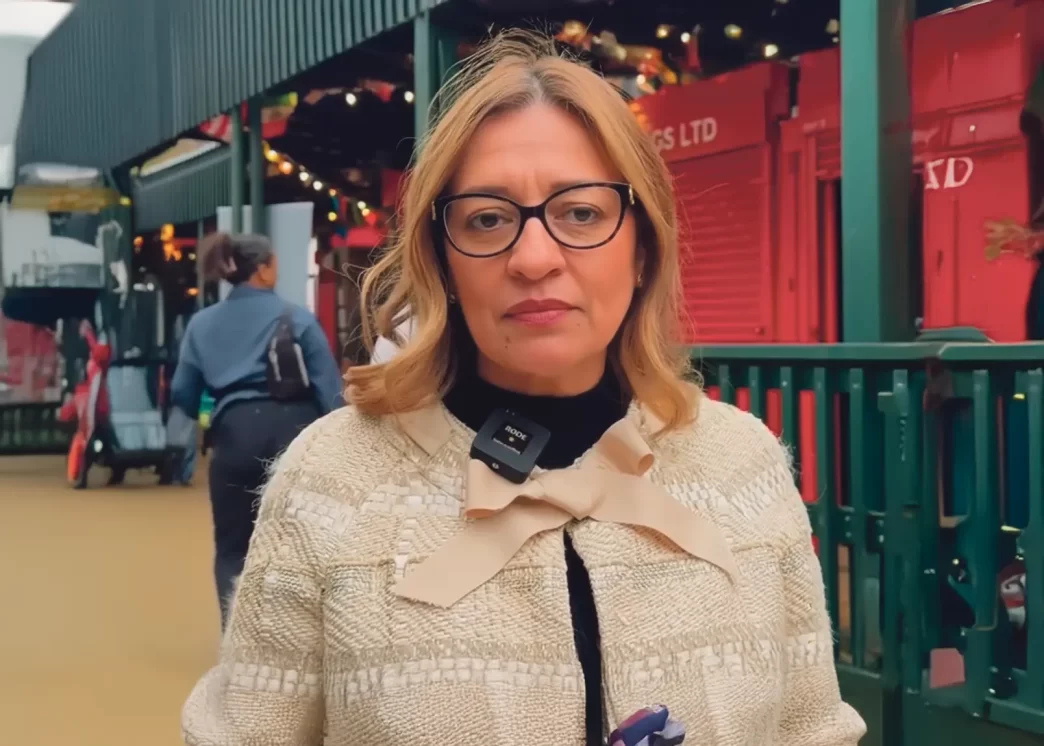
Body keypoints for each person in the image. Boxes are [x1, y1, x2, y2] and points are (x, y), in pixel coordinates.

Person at [182, 31, 866, 746]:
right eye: (487, 219)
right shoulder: (331, 483)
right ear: (441, 261)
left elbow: (812, 729)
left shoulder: (742, 465)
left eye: (581, 213)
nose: (534, 257)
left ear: (642, 249)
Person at [170, 231, 342, 627]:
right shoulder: (296, 317)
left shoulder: (201, 325)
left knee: (232, 547)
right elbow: (328, 390)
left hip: (232, 436)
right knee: (298, 543)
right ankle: (292, 636)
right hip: (292, 435)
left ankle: (236, 637)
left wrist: (211, 414)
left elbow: (182, 392)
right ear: (263, 270)